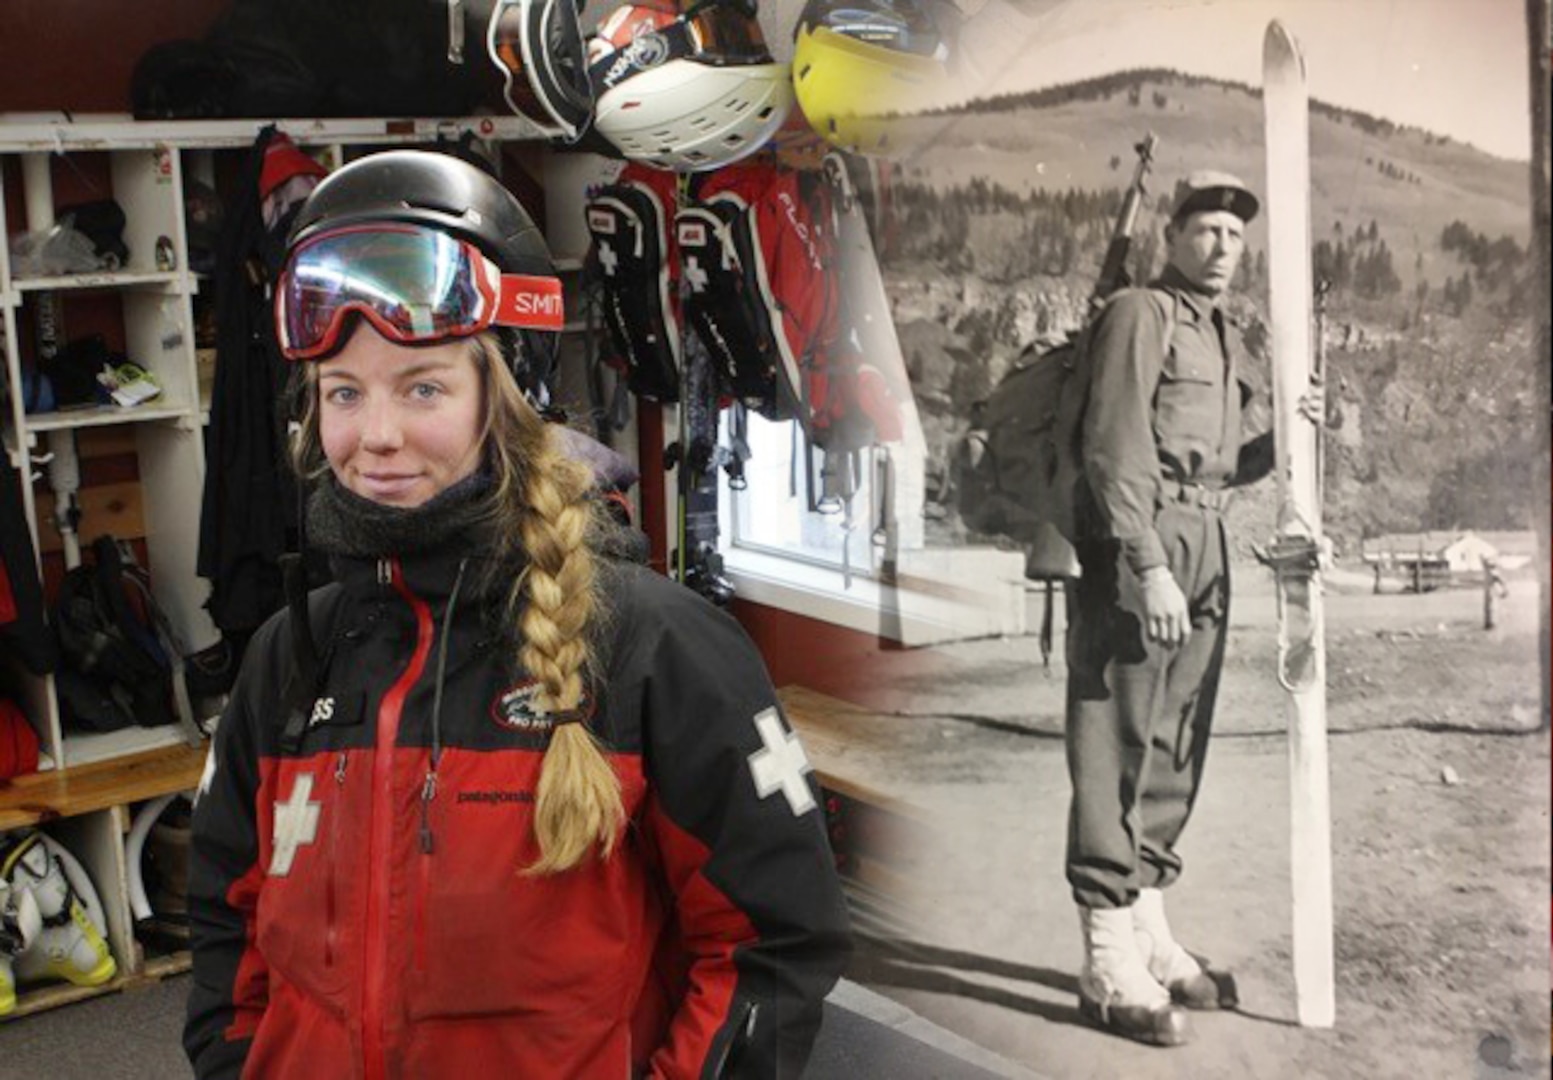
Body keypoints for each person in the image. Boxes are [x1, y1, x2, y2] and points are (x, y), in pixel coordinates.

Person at [183, 149, 851, 1079]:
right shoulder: (292, 656)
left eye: (423, 387)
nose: (374, 436)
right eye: (343, 392)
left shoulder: (659, 648)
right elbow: (225, 919)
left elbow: (770, 941)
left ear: (506, 399)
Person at [1063, 170, 1322, 1046]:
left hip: (1204, 542)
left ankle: (1146, 929)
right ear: (1170, 237)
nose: (1222, 248)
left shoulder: (1216, 334)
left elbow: (1217, 467)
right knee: (1117, 740)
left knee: (1174, 742)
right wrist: (1146, 568)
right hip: (1141, 547)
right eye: (1205, 229)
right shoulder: (1141, 313)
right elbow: (1113, 449)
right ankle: (1104, 957)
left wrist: (1287, 436)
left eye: (1234, 236)